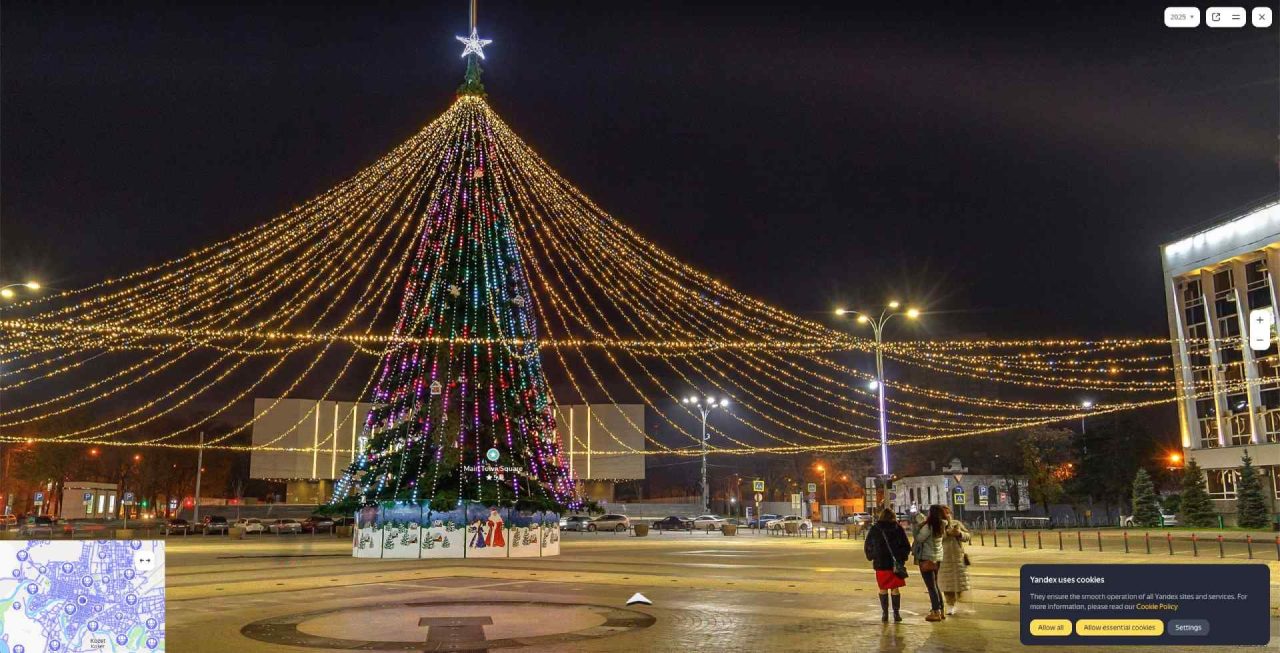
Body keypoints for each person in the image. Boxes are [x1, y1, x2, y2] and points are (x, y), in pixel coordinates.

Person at [864, 508, 911, 623]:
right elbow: (906, 546)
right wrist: (902, 558)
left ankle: (885, 614)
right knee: (895, 589)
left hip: (881, 564)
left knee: (883, 588)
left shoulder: (875, 529)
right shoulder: (897, 528)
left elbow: (868, 545)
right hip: (895, 565)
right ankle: (896, 614)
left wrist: (873, 556)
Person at [912, 504, 946, 622]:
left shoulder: (929, 526)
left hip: (926, 558)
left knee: (931, 586)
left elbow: (919, 538)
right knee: (935, 585)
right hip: (937, 558)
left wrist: (918, 526)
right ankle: (941, 610)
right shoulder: (942, 525)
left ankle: (935, 611)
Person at [939, 506, 971, 615]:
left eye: (949, 512)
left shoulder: (956, 523)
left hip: (958, 558)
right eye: (945, 513)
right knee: (947, 584)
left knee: (959, 582)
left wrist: (959, 534)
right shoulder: (938, 525)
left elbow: (968, 536)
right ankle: (950, 604)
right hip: (944, 558)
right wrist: (947, 533)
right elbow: (934, 537)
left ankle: (959, 597)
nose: (948, 515)